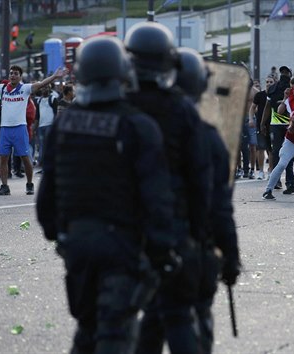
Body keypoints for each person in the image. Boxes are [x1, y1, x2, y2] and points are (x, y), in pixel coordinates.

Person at [36, 36, 178, 353]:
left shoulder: (65, 124)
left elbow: (47, 195)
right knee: (115, 334)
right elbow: (157, 199)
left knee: (87, 330)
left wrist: (59, 235)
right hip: (122, 246)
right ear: (122, 72)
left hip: (77, 244)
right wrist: (162, 252)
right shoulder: (138, 125)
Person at [124, 22, 210, 353]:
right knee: (176, 313)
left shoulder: (116, 106)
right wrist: (199, 235)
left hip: (121, 225)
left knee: (115, 321)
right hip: (173, 222)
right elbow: (200, 179)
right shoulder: (181, 110)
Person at [176, 47, 241, 353]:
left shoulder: (137, 125)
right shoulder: (206, 136)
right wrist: (230, 255)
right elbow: (219, 205)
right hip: (191, 245)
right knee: (193, 320)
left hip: (141, 244)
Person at [0, 64, 64, 196]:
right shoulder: (2, 88)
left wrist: (54, 76)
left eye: (15, 73)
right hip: (4, 129)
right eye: (11, 73)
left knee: (25, 158)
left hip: (19, 128)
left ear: (20, 77)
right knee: (3, 158)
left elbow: (41, 83)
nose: (12, 75)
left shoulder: (25, 88)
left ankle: (29, 184)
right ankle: (4, 186)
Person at [260, 65, 294, 190]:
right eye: (283, 72)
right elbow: (267, 107)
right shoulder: (277, 88)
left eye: (286, 72)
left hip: (287, 125)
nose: (284, 74)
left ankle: (287, 181)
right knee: (279, 153)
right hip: (279, 124)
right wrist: (263, 123)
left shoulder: (293, 89)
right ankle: (280, 181)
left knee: (283, 153)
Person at [249, 76, 275, 180]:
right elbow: (252, 108)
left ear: (274, 83)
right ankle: (260, 171)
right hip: (261, 125)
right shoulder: (259, 95)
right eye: (267, 82)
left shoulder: (276, 94)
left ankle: (271, 170)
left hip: (273, 125)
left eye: (271, 82)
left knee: (271, 149)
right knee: (260, 148)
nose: (269, 83)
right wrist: (251, 119)